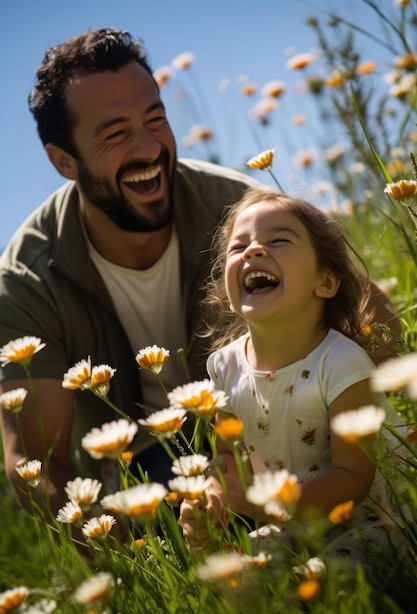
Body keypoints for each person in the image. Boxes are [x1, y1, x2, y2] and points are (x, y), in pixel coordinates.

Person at [0, 29, 400, 520]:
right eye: (116, 133)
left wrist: (375, 449)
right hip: (141, 470)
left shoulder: (239, 211)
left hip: (278, 425)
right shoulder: (27, 279)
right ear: (64, 161)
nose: (149, 148)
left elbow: (371, 313)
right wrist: (132, 557)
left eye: (156, 119)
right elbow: (36, 462)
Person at [178, 189, 407, 581]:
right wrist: (214, 496)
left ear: (326, 281)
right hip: (291, 523)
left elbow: (355, 479)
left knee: (328, 582)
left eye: (277, 240)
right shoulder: (224, 367)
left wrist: (267, 506)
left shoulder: (341, 363)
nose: (252, 251)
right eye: (238, 247)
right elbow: (228, 456)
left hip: (369, 523)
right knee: (235, 581)